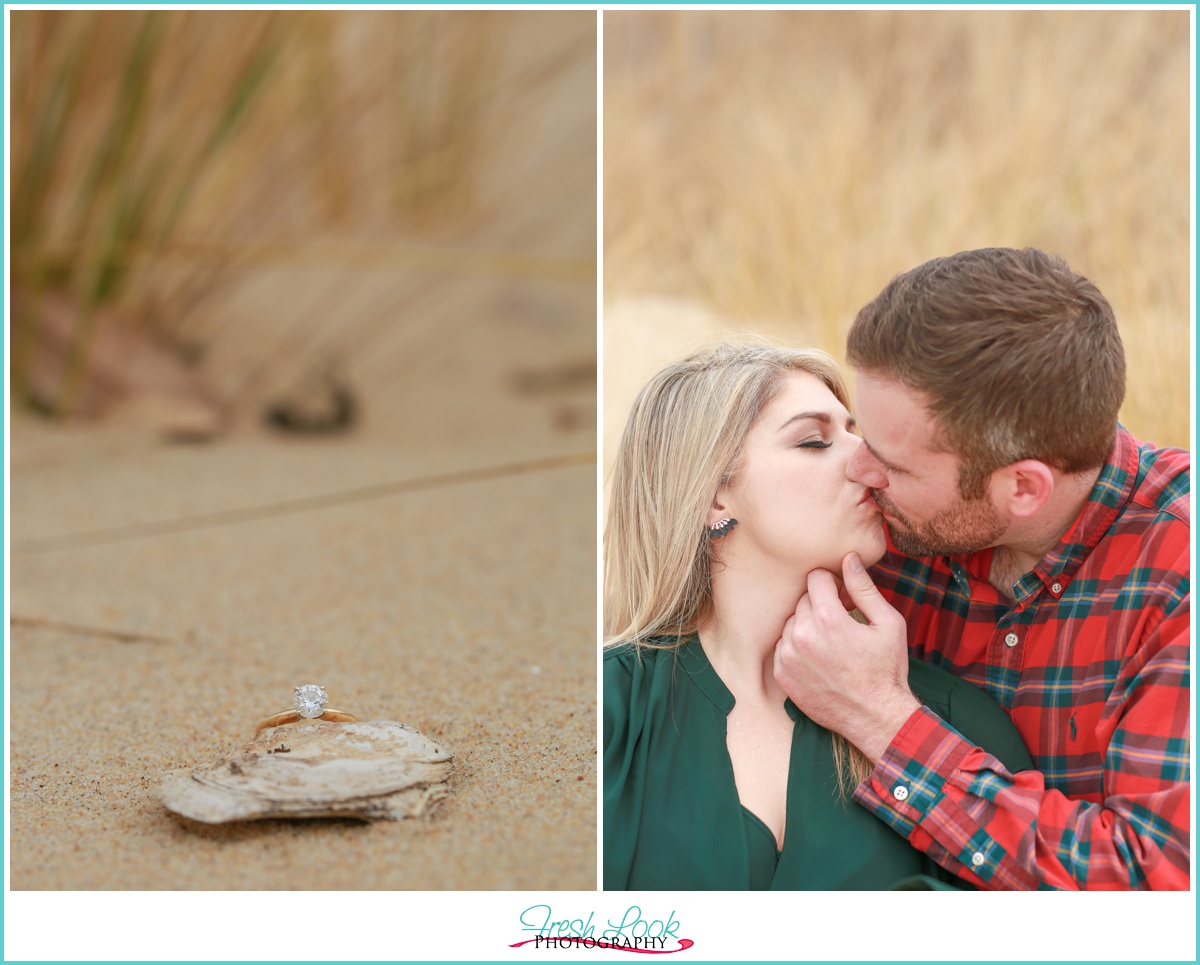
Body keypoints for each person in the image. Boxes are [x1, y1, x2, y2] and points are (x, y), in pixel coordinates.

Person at [774, 247, 1190, 890]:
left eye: (895, 464)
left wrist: (881, 721)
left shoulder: (1178, 577)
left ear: (1022, 488)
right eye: (859, 433)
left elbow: (1153, 888)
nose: (858, 469)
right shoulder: (885, 520)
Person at [603, 343, 1032, 890]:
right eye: (814, 441)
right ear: (714, 497)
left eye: (860, 437)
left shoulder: (960, 726)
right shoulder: (609, 711)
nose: (869, 464)